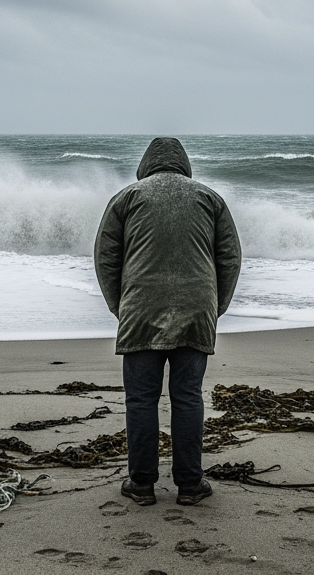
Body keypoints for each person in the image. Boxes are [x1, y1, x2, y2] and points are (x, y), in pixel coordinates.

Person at [93, 137, 242, 506]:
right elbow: (230, 259)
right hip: (196, 310)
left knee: (141, 400)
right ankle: (190, 485)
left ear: (145, 165)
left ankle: (141, 485)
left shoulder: (126, 198)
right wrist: (215, 306)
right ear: (184, 165)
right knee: (188, 397)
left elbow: (105, 258)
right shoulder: (209, 198)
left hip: (140, 309)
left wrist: (120, 307)